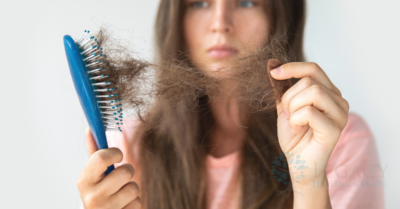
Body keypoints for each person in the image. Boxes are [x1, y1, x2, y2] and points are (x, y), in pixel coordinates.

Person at [77, 0, 385, 208]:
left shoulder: (334, 138)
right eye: (199, 2)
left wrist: (310, 185)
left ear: (281, 16)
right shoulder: (134, 147)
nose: (220, 23)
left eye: (247, 1)